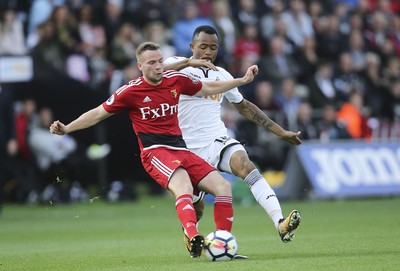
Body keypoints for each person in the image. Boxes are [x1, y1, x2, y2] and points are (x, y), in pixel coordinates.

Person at [50, 41, 258, 258]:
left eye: (160, 61)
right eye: (152, 62)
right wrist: (67, 128)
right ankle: (192, 235)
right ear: (140, 66)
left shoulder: (176, 80)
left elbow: (208, 88)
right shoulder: (130, 91)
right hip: (155, 152)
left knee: (223, 187)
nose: (158, 66)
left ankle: (222, 247)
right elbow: (97, 113)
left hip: (181, 149)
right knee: (184, 186)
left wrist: (241, 80)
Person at [163, 25, 302, 252]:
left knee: (245, 165)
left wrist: (281, 132)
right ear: (191, 46)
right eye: (203, 47)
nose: (208, 52)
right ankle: (191, 234)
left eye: (213, 48)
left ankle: (280, 222)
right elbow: (157, 71)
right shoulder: (177, 66)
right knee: (197, 208)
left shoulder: (222, 74)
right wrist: (189, 62)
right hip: (186, 149)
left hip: (217, 141)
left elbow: (244, 107)